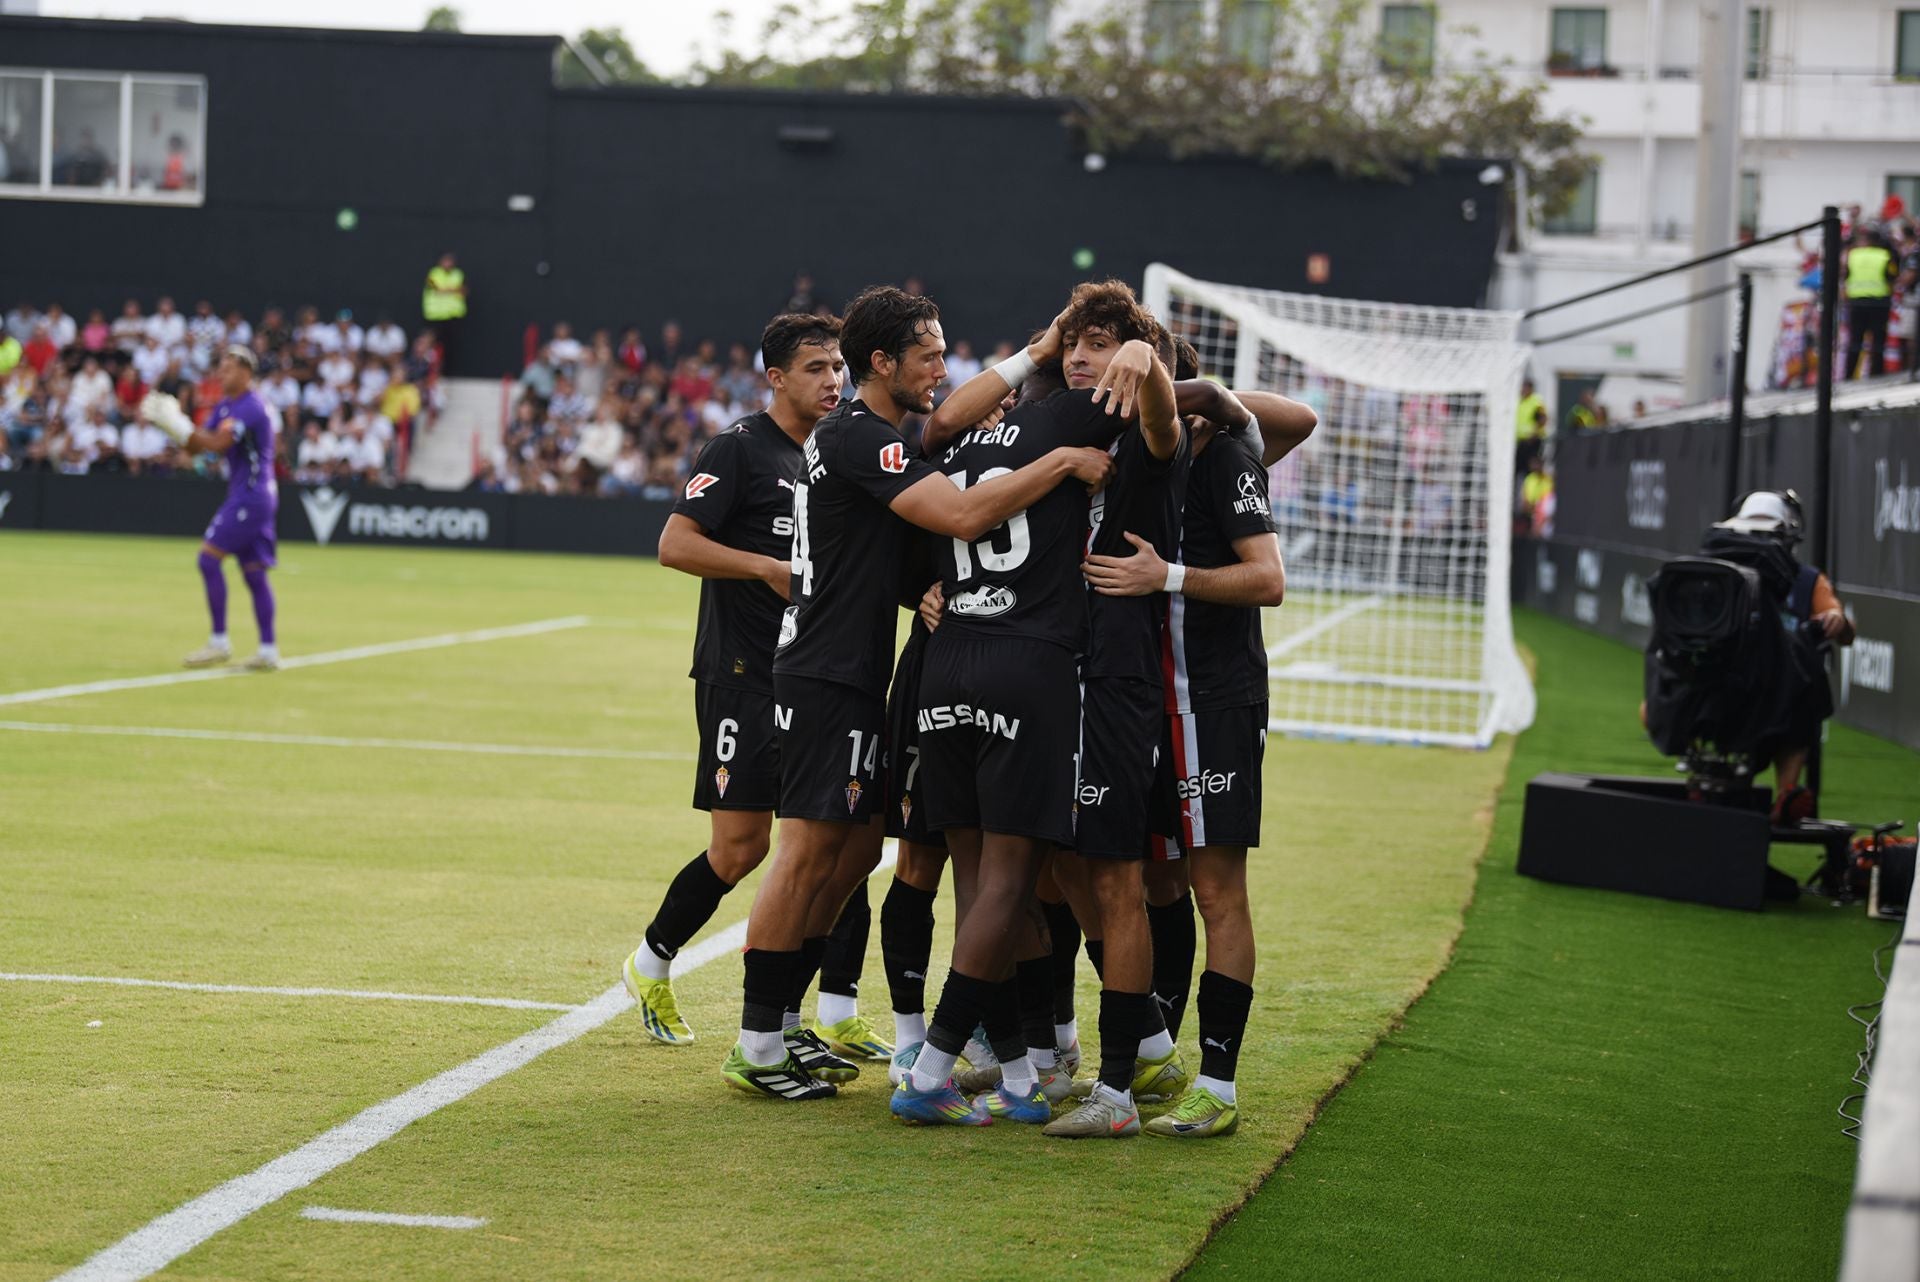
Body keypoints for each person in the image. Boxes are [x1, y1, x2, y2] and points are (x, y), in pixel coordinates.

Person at [722, 285, 1112, 1102]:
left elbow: (883, 547)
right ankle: (758, 1043)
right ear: (884, 362)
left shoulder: (868, 436)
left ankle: (787, 1021)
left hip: (855, 668)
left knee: (856, 851)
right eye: (929, 353)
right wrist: (1062, 461)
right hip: (828, 670)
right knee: (805, 851)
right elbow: (965, 517)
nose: (941, 367)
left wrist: (924, 592)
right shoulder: (867, 437)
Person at [895, 304, 1167, 1128]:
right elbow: (1170, 409)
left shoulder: (960, 437)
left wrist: (1063, 355)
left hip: (947, 661)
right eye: (1076, 348)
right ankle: (937, 1063)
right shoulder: (1066, 420)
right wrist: (1134, 367)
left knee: (981, 874)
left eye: (1101, 348)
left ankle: (1019, 1068)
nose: (1090, 361)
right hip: (1030, 663)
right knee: (1021, 881)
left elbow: (942, 415)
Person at [624, 313, 891, 1063]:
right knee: (742, 848)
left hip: (815, 676)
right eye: (815, 368)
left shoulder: (842, 451)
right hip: (743, 674)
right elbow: (675, 544)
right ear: (776, 378)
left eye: (838, 366)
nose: (833, 380)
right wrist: (767, 568)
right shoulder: (741, 450)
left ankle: (833, 1011)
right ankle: (650, 963)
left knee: (837, 835)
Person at [1712, 490, 1854, 818]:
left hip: (1785, 694)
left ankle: (1786, 795)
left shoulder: (1807, 581)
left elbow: (1843, 629)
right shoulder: (1720, 572)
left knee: (1806, 693)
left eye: (1768, 535)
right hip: (1729, 689)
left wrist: (1836, 620)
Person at [140, 347, 281, 671]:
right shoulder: (226, 406)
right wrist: (174, 426)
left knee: (208, 559)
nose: (221, 373)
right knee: (255, 575)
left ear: (247, 371)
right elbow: (199, 444)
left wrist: (183, 428)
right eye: (221, 368)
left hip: (251, 496)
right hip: (254, 495)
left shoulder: (251, 406)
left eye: (229, 368)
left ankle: (219, 641)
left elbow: (217, 445)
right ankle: (268, 651)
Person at [1843, 226, 1897, 380]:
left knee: (1855, 341)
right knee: (1878, 341)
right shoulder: (1884, 256)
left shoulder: (1853, 255)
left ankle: (1849, 375)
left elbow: (1845, 275)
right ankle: (1876, 374)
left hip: (1857, 302)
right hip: (1878, 302)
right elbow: (1892, 278)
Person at [422, 252, 468, 374]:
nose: (447, 264)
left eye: (450, 262)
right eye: (445, 261)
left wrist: (446, 289)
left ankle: (445, 370)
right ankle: (428, 369)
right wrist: (452, 289)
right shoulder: (434, 273)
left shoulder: (458, 274)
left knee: (449, 347)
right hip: (435, 316)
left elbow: (463, 290)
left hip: (452, 316)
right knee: (432, 344)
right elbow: (434, 288)